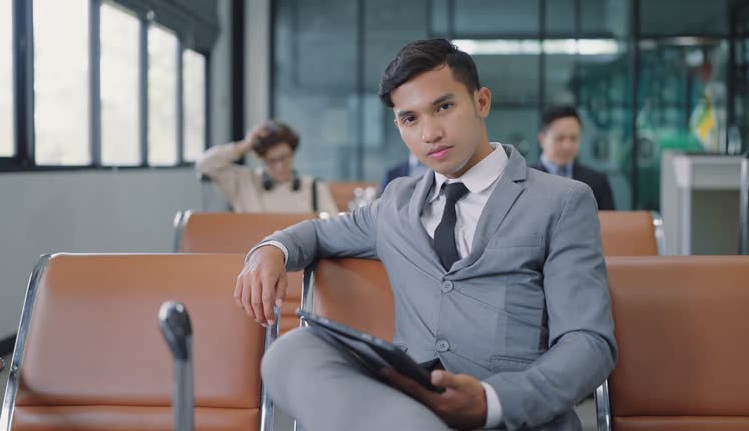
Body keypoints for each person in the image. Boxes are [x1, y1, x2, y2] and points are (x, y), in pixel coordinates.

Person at [237, 39, 616, 431]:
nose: (430, 133)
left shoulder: (562, 201)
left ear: (481, 102)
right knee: (291, 351)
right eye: (410, 119)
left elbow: (589, 343)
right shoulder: (395, 203)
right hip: (411, 406)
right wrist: (272, 250)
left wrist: (492, 403)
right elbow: (318, 233)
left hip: (510, 417)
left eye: (444, 107)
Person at [195, 121, 339, 215]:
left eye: (284, 157)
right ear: (261, 159)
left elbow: (334, 229)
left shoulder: (314, 188)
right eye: (272, 160)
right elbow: (204, 165)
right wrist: (245, 145)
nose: (280, 166)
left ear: (293, 154)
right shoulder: (243, 182)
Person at [531, 106, 616, 210]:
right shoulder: (526, 181)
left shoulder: (597, 182)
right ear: (542, 139)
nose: (567, 146)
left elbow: (611, 222)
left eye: (573, 138)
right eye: (560, 138)